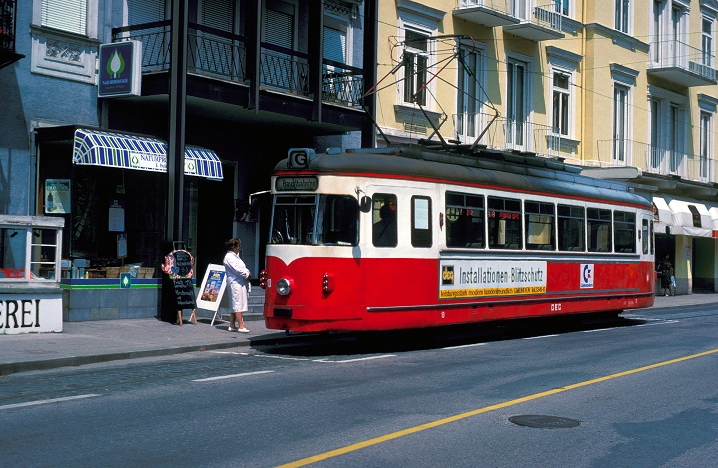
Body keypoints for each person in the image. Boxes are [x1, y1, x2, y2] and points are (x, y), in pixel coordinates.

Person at [223, 238, 251, 332]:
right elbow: (237, 270)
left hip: (239, 282)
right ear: (234, 247)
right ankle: (241, 326)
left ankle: (232, 325)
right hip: (235, 283)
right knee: (237, 303)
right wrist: (247, 274)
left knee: (235, 304)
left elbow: (242, 267)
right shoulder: (229, 257)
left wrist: (247, 271)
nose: (239, 248)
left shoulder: (235, 256)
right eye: (238, 246)